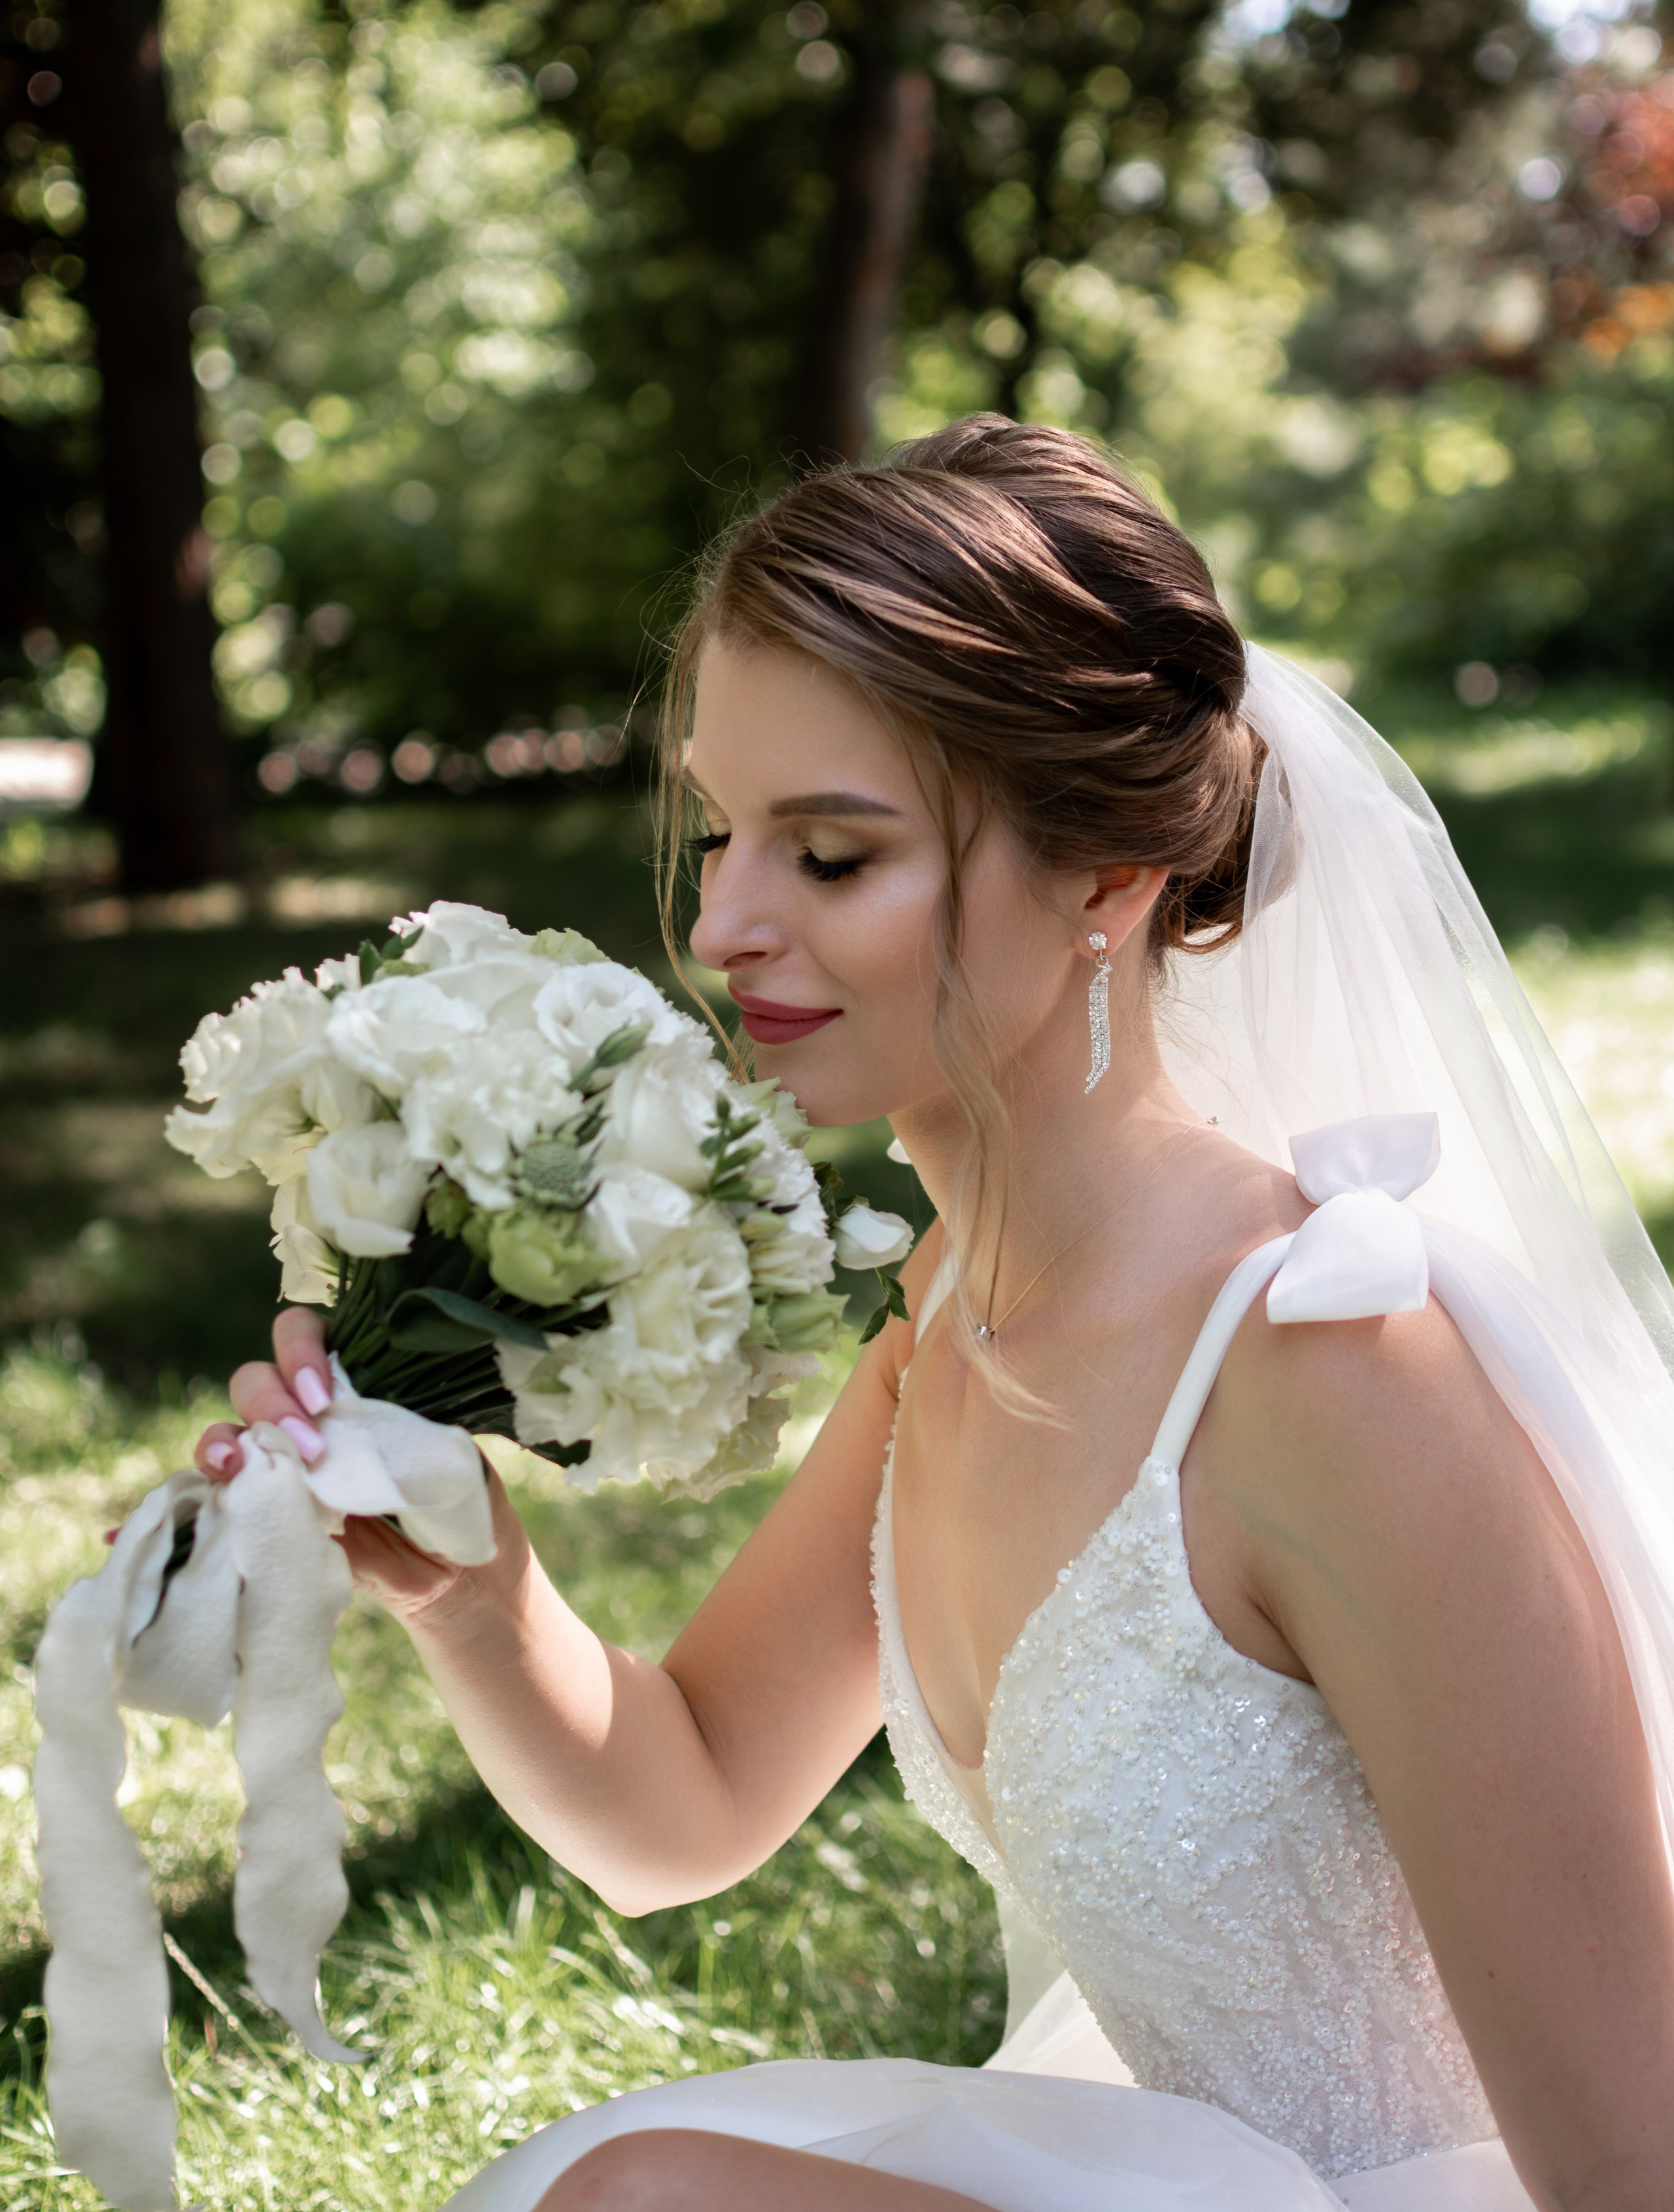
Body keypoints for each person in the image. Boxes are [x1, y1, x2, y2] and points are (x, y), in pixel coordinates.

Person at [196, 417, 1674, 2211]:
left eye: (830, 858)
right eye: (727, 829)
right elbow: (691, 1805)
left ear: (1111, 884)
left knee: (648, 2201)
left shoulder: (1335, 1372)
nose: (727, 921)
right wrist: (474, 1589)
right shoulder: (957, 1314)